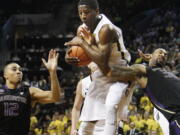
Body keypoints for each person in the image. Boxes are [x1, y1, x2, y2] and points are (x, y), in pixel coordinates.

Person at [65, 0, 132, 134]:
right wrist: (69, 56)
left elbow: (101, 59)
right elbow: (77, 48)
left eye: (87, 12)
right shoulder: (83, 28)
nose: (83, 16)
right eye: (80, 13)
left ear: (96, 11)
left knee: (110, 109)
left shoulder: (106, 29)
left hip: (119, 72)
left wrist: (83, 43)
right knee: (85, 127)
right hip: (102, 74)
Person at [108, 48, 180, 135]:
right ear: (151, 55)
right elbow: (127, 75)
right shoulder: (145, 73)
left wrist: (151, 57)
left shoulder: (168, 73)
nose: (163, 55)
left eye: (165, 54)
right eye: (160, 52)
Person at [0, 49, 61, 135]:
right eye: (14, 69)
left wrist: (53, 72)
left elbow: (55, 97)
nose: (19, 72)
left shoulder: (30, 91)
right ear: (5, 75)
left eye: (20, 70)